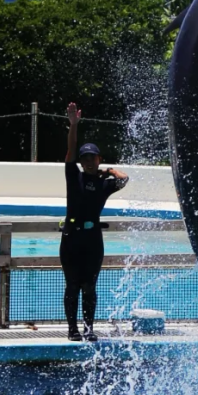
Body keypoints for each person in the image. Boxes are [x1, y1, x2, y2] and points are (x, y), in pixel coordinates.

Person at [60, 102, 129, 342]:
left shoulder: (104, 184)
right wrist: (73, 125)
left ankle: (89, 329)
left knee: (89, 286)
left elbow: (124, 179)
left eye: (93, 158)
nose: (89, 161)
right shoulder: (73, 176)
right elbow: (70, 150)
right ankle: (72, 329)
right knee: (72, 285)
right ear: (81, 162)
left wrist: (109, 170)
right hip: (71, 238)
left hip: (92, 241)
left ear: (99, 159)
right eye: (85, 158)